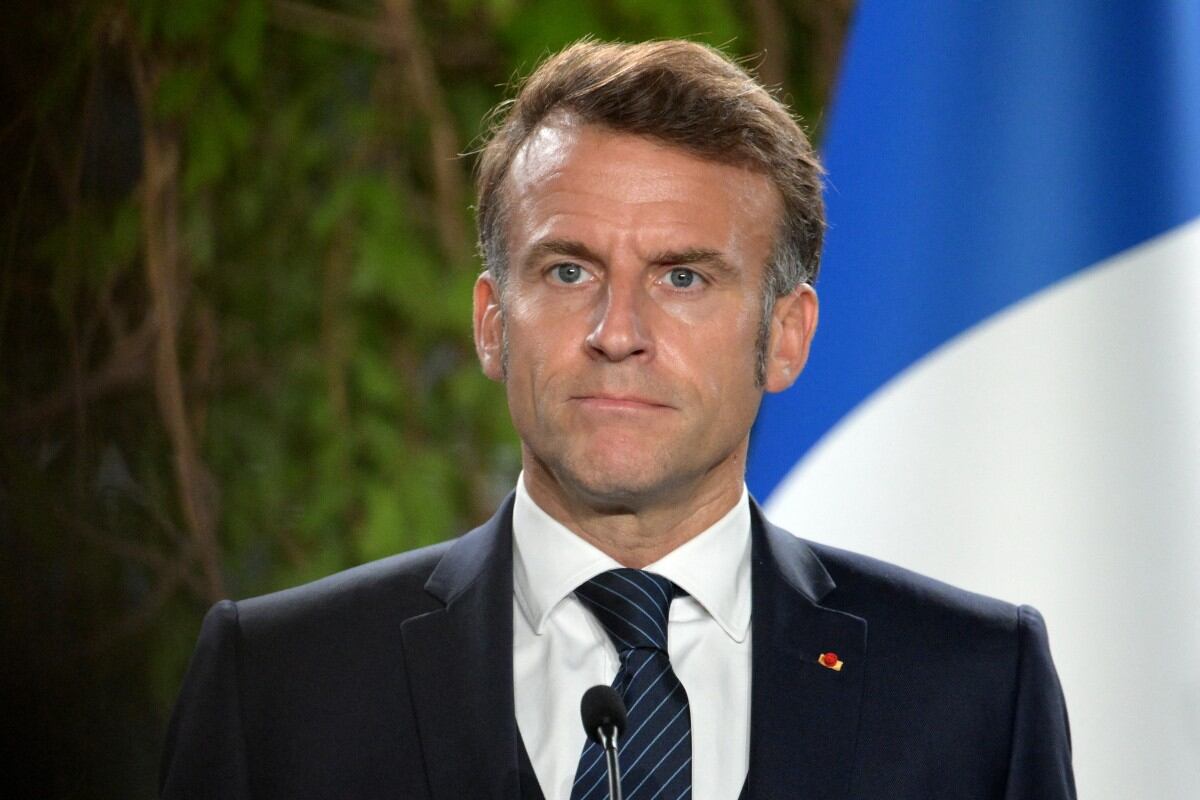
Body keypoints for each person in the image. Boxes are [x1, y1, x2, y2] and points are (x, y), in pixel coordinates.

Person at [160, 40, 1076, 800]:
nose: (617, 333)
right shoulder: (277, 683)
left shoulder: (975, 690)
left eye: (683, 277)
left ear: (786, 337)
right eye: (569, 272)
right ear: (491, 324)